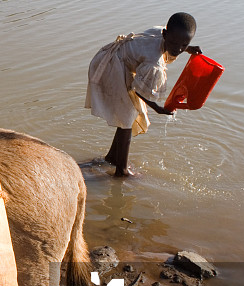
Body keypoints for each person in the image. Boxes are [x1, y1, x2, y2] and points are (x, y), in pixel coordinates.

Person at [85, 12, 202, 176]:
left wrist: (187, 50)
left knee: (128, 115)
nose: (178, 49)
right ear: (165, 34)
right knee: (128, 115)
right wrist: (157, 108)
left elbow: (175, 42)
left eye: (184, 44)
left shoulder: (161, 33)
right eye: (174, 43)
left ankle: (112, 158)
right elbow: (138, 90)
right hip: (110, 65)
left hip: (115, 59)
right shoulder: (154, 62)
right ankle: (122, 171)